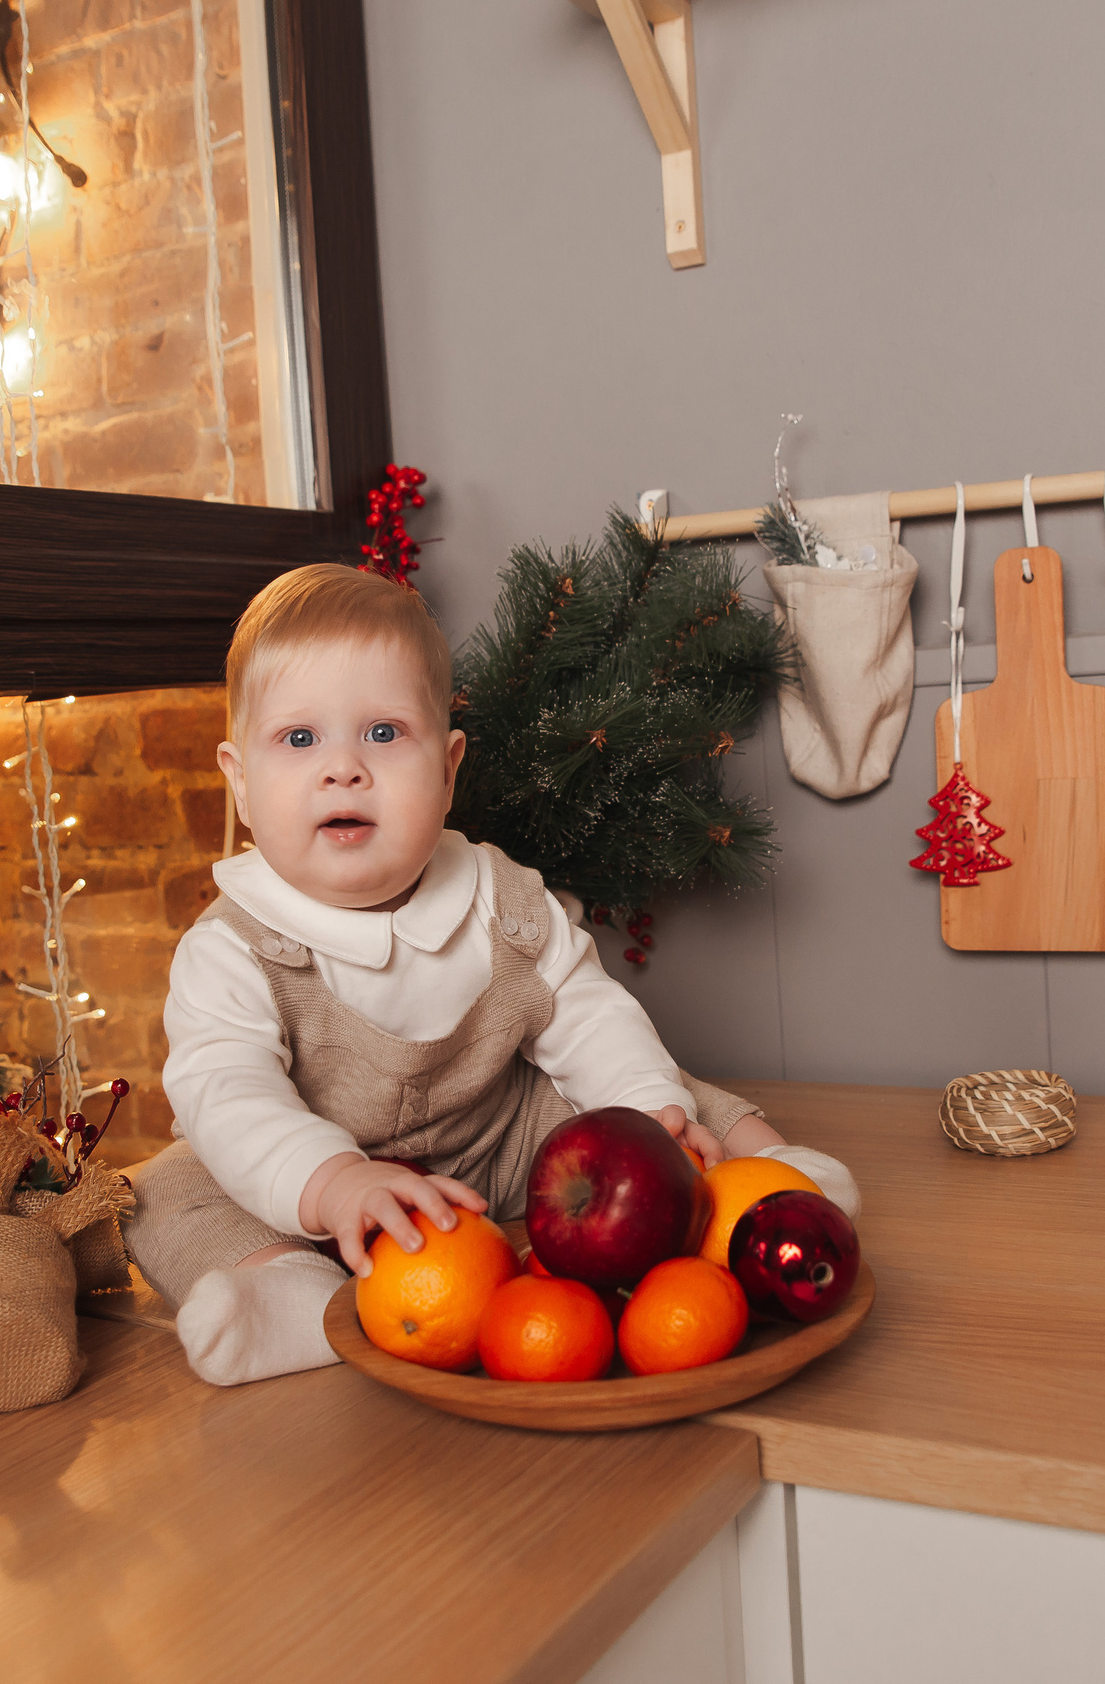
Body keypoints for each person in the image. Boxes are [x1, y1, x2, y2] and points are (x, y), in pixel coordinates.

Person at [124, 563, 857, 1385]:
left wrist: (652, 1113)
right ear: (240, 783)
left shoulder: (500, 900)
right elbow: (230, 1093)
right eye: (300, 740)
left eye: (383, 732)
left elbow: (588, 1015)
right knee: (164, 1190)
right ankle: (289, 1291)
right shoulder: (231, 949)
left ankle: (765, 1188)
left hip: (503, 1148)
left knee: (651, 1088)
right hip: (316, 1200)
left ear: (447, 770)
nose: (344, 768)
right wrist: (335, 1185)